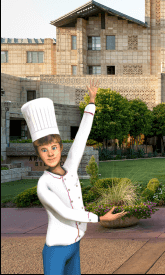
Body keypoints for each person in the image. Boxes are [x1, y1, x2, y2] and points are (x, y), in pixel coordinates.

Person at [21, 79, 128, 275]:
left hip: (75, 245)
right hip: (56, 251)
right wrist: (99, 218)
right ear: (39, 154)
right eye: (44, 150)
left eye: (54, 147)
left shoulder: (70, 168)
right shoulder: (43, 184)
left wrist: (92, 103)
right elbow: (65, 212)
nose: (51, 153)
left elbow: (81, 137)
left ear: (61, 148)